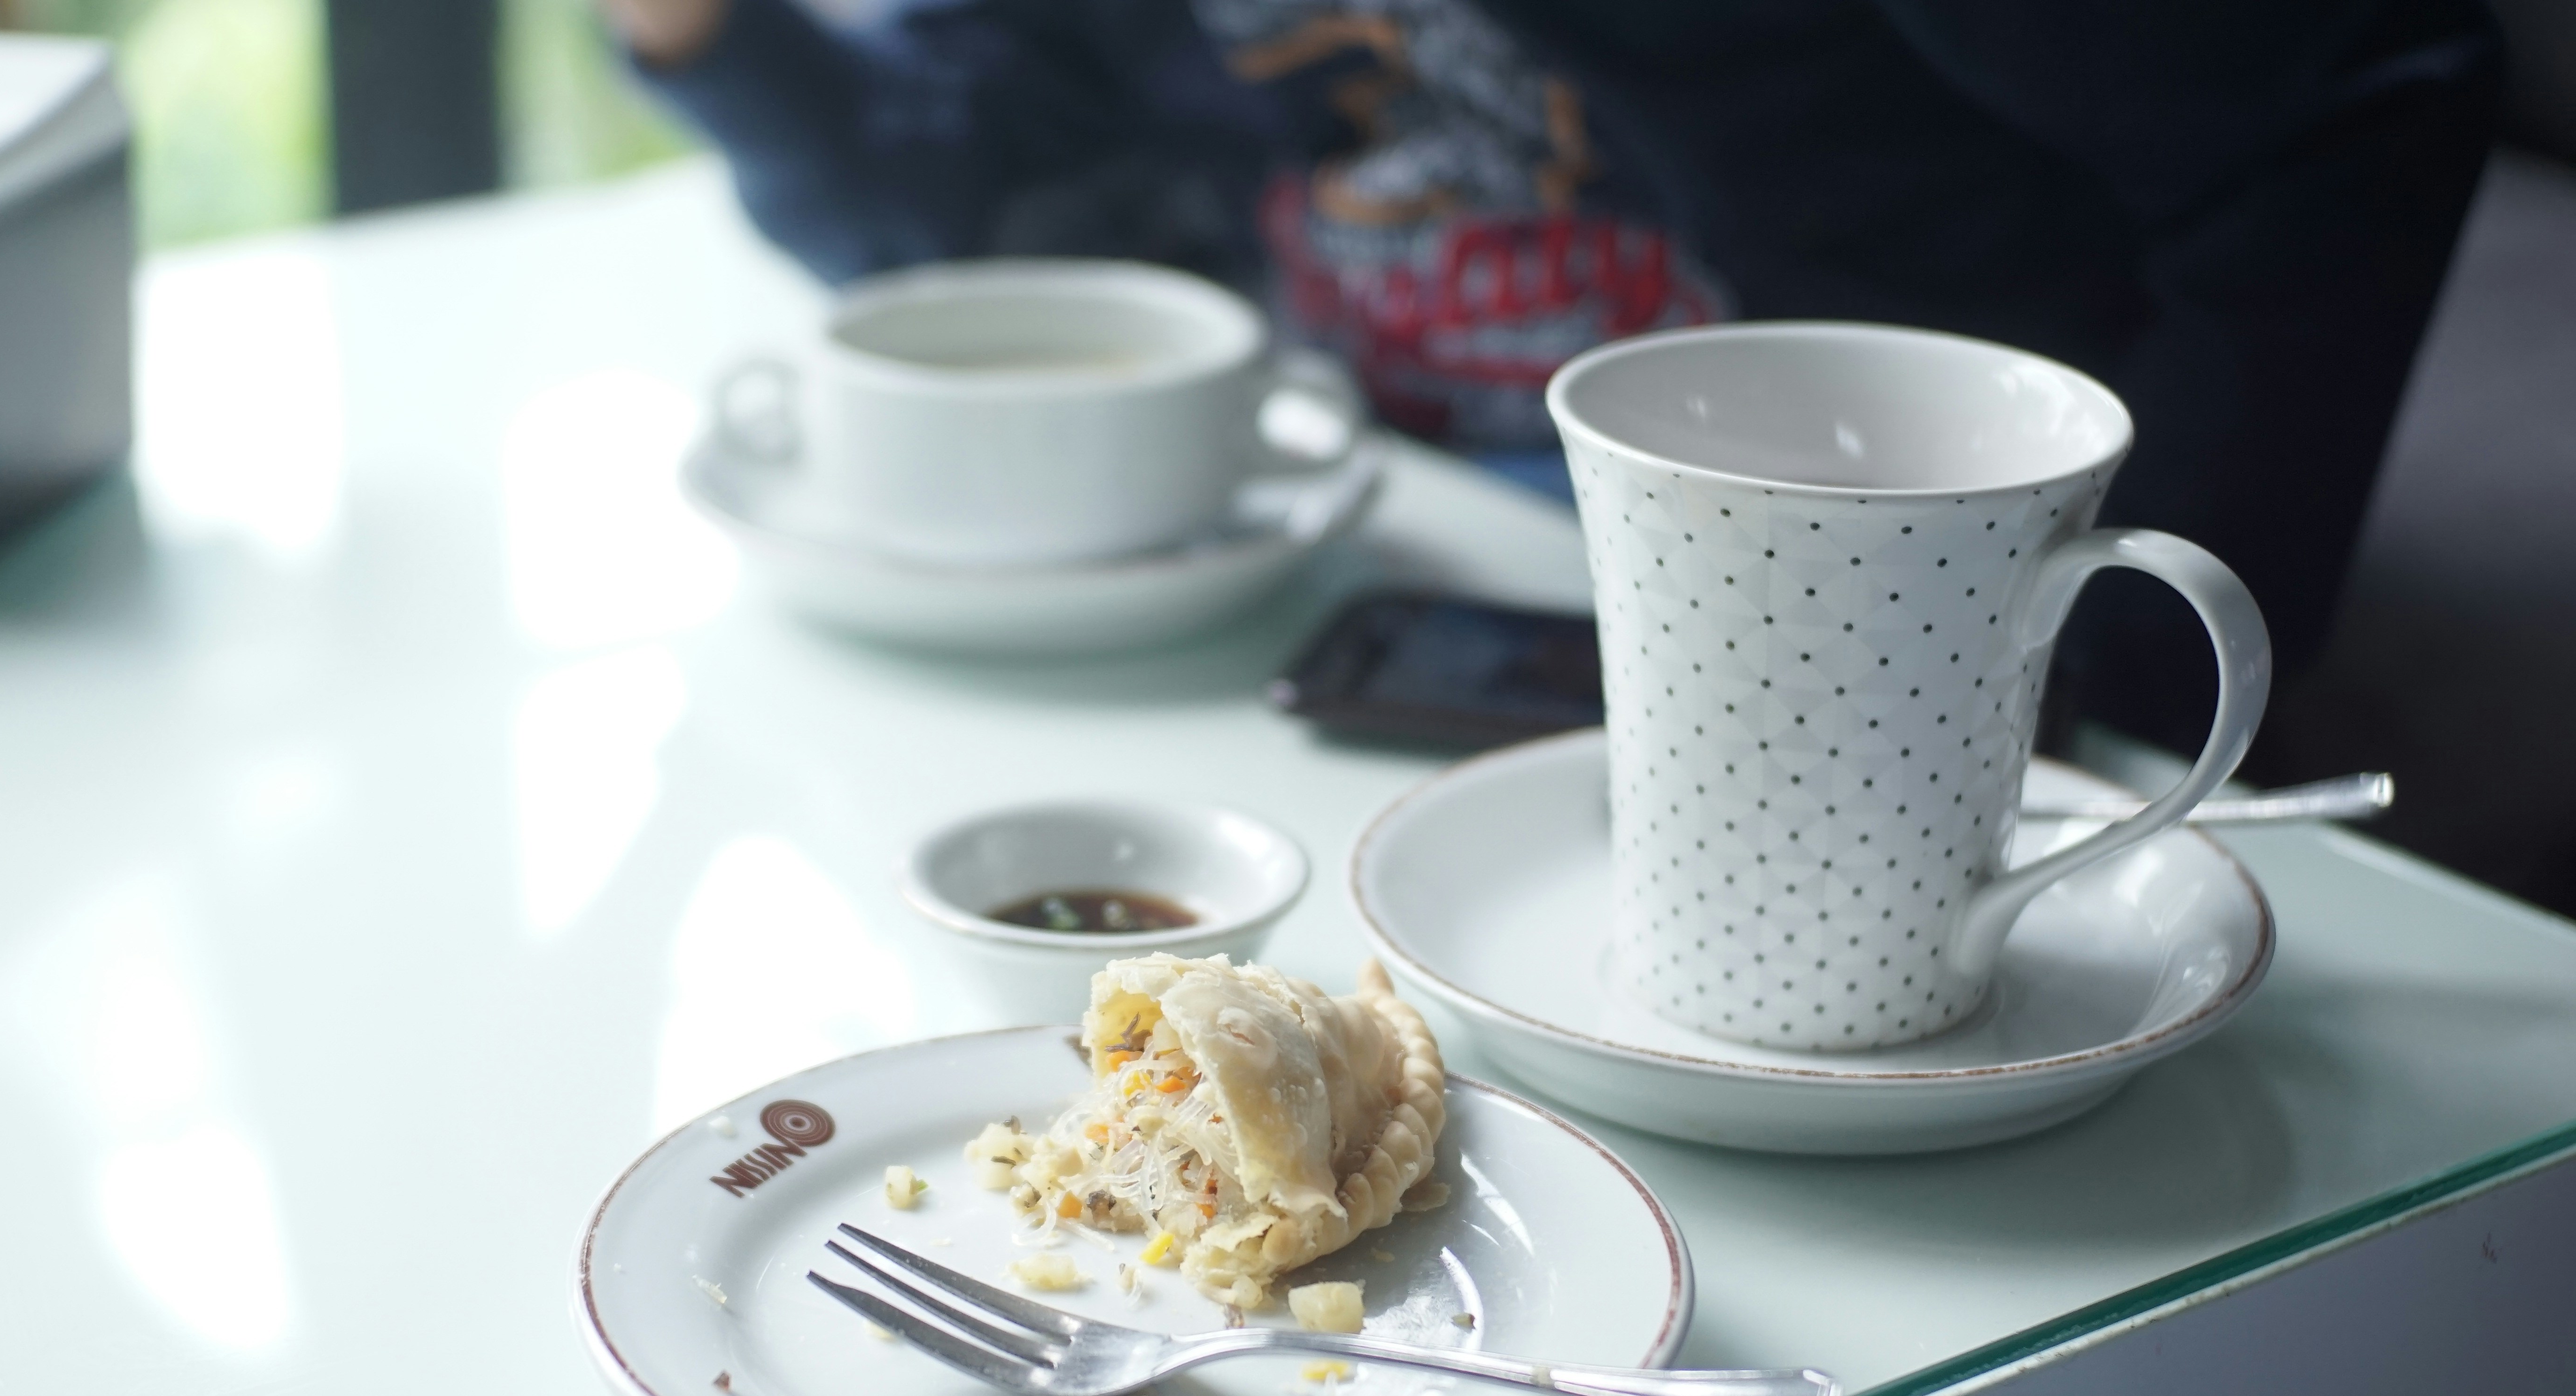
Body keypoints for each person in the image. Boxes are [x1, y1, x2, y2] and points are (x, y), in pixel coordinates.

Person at [601, 0, 2500, 755]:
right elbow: (970, 244)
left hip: (1855, 625)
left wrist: (2089, 668)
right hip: (1401, 588)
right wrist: (711, 41)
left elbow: (2360, 106)